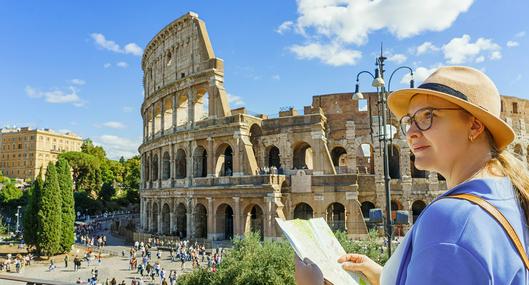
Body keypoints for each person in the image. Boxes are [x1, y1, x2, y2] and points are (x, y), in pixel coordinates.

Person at [296, 66, 529, 284]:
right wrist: (386, 275)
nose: (411, 133)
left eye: (428, 116)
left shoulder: (451, 222)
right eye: (409, 120)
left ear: (475, 127)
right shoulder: (508, 195)